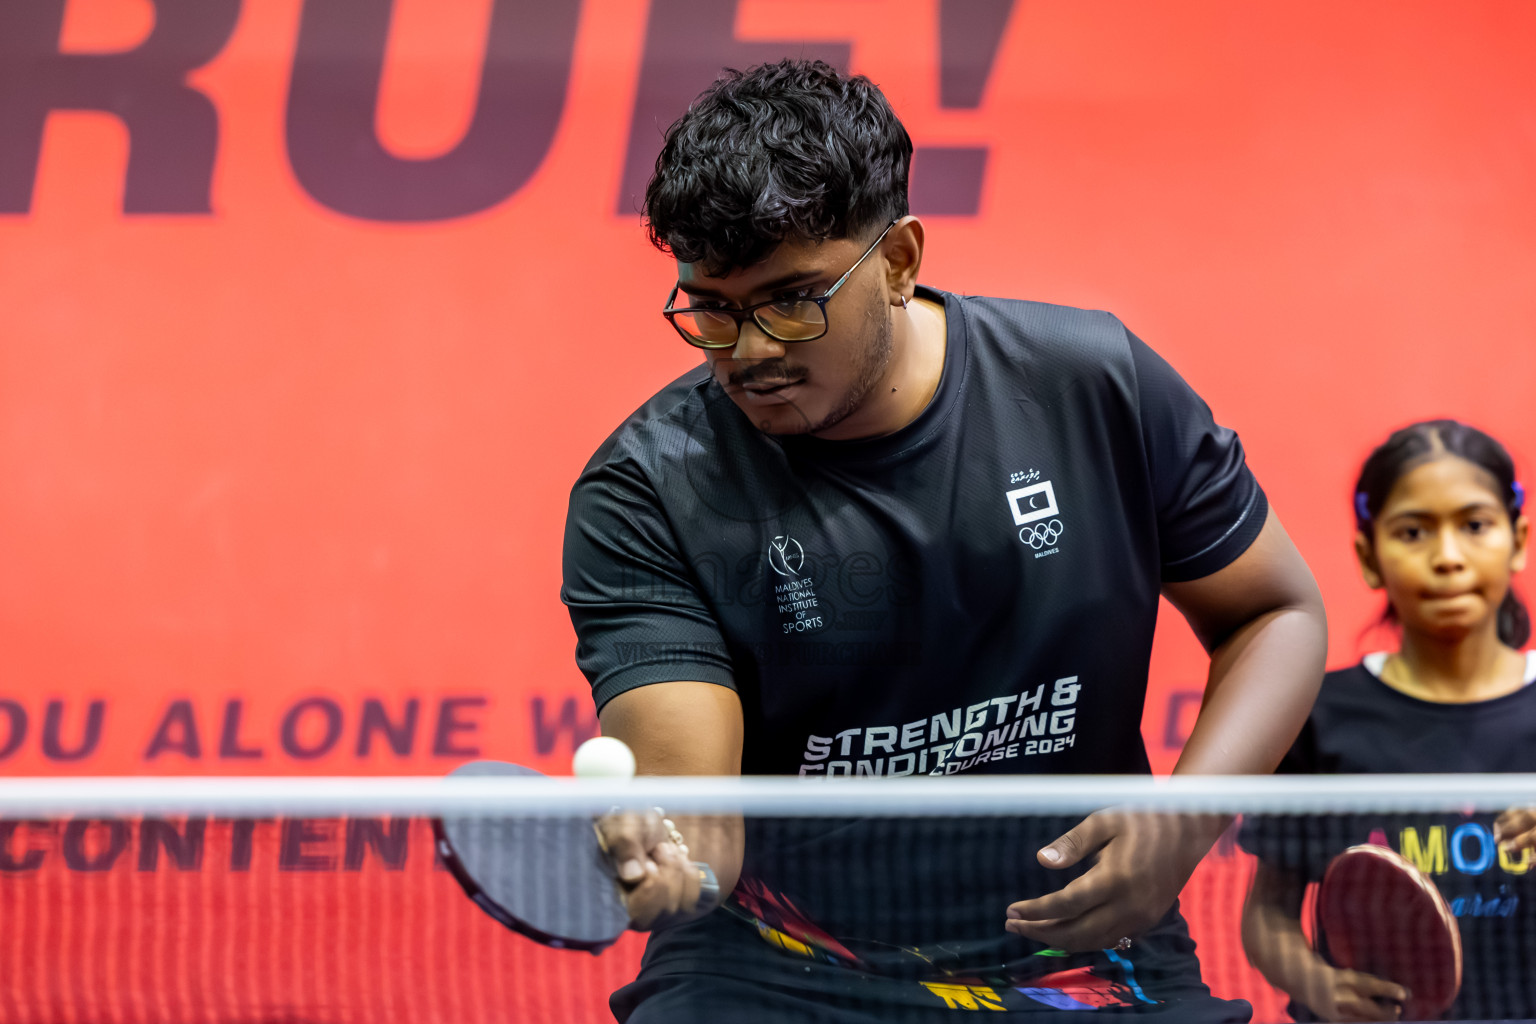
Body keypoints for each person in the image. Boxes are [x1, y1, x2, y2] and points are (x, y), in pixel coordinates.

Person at [561, 59, 1327, 1022]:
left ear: (898, 259)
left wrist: (1181, 824)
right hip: (776, 965)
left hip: (1079, 952)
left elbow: (1277, 611)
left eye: (792, 300)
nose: (750, 350)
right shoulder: (648, 486)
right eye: (711, 307)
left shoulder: (1089, 387)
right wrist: (670, 861)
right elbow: (696, 813)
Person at [1241, 419, 1536, 1021]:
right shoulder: (1320, 715)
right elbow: (1267, 914)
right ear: (1369, 556)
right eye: (1413, 532)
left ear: (1519, 540)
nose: (1448, 557)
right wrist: (1320, 987)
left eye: (1475, 525)